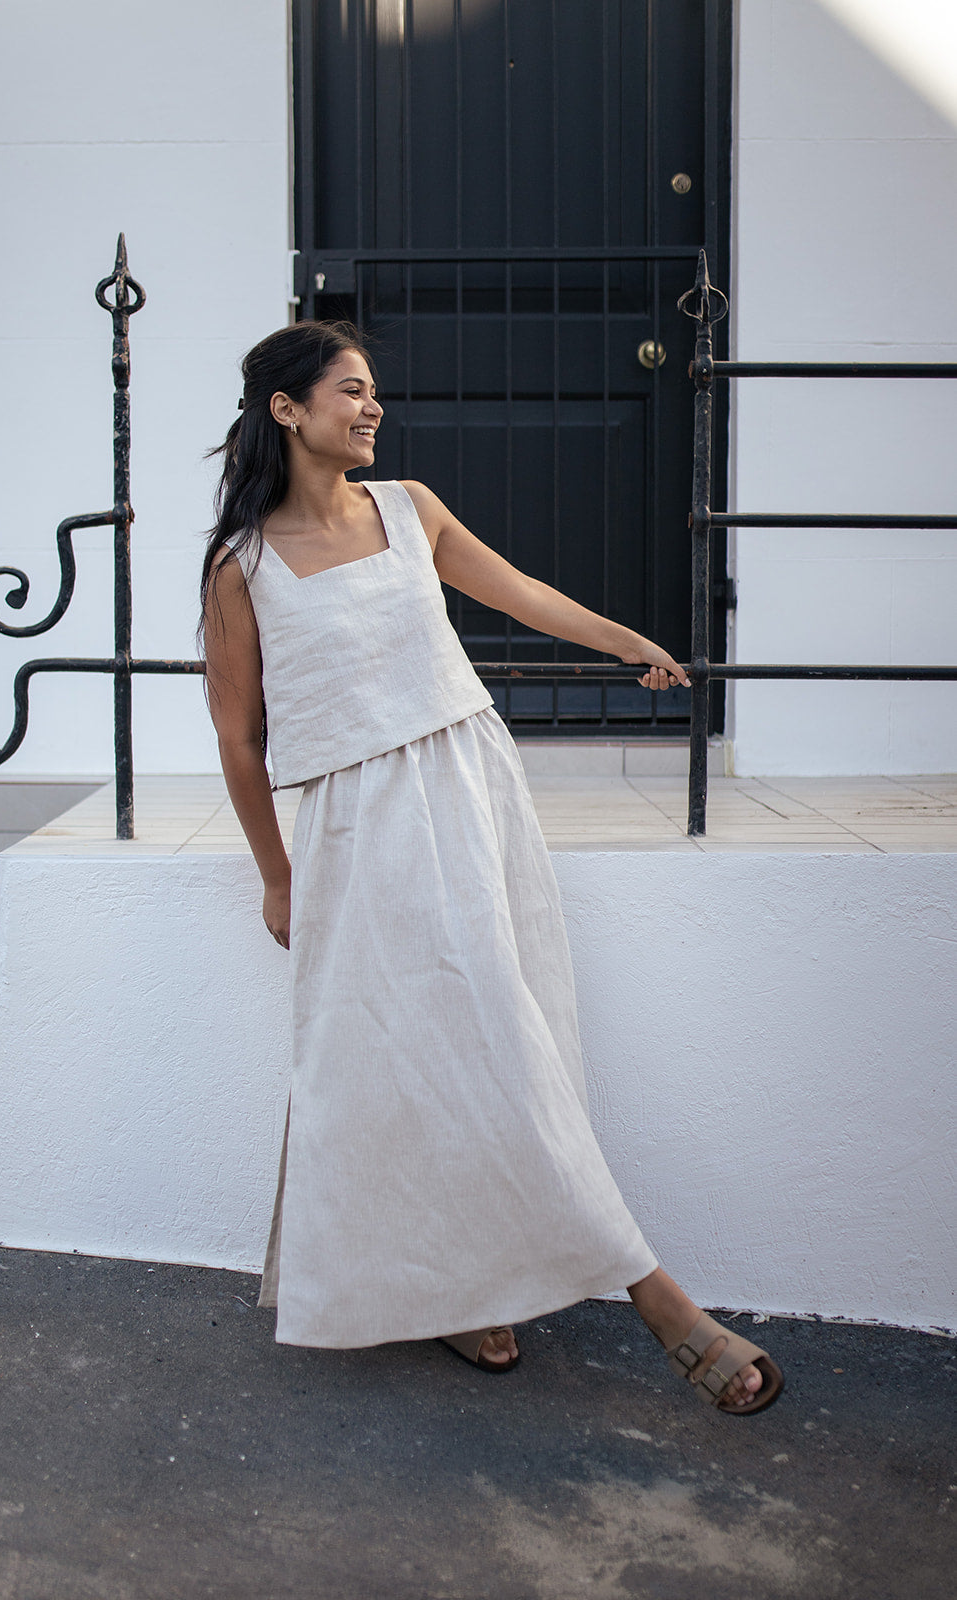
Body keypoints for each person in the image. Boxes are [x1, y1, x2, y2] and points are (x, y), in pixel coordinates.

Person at [200, 320, 783, 1416]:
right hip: (355, 829)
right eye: (350, 390)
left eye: (373, 391)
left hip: (470, 793)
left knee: (502, 1042)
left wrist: (625, 640)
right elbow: (238, 741)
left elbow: (518, 593)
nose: (372, 407)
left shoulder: (409, 509)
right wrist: (276, 877)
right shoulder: (243, 567)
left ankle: (485, 1286)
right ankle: (654, 1300)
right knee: (402, 1066)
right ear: (287, 408)